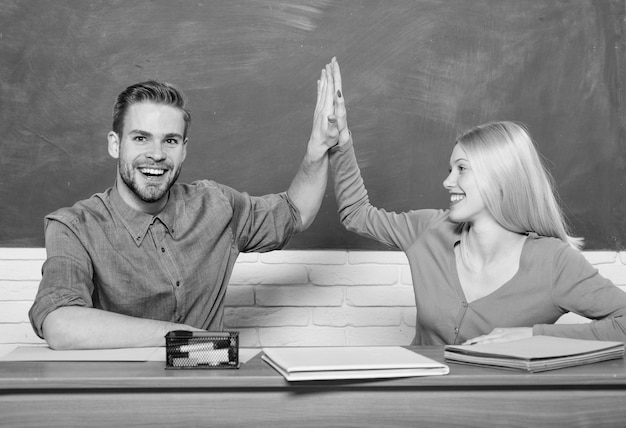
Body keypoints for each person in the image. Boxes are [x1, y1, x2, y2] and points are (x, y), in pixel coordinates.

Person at [29, 59, 341, 350]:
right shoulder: (73, 227)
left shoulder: (216, 206)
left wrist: (319, 148)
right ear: (115, 144)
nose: (156, 154)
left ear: (183, 149)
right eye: (141, 138)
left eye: (170, 140)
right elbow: (60, 323)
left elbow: (295, 212)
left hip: (208, 395)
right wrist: (182, 338)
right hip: (121, 398)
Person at [325, 58, 626, 345]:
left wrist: (537, 337)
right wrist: (342, 142)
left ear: (500, 178)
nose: (447, 181)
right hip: (417, 394)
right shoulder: (427, 229)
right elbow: (356, 213)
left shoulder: (554, 263)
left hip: (497, 400)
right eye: (450, 169)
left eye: (462, 169)